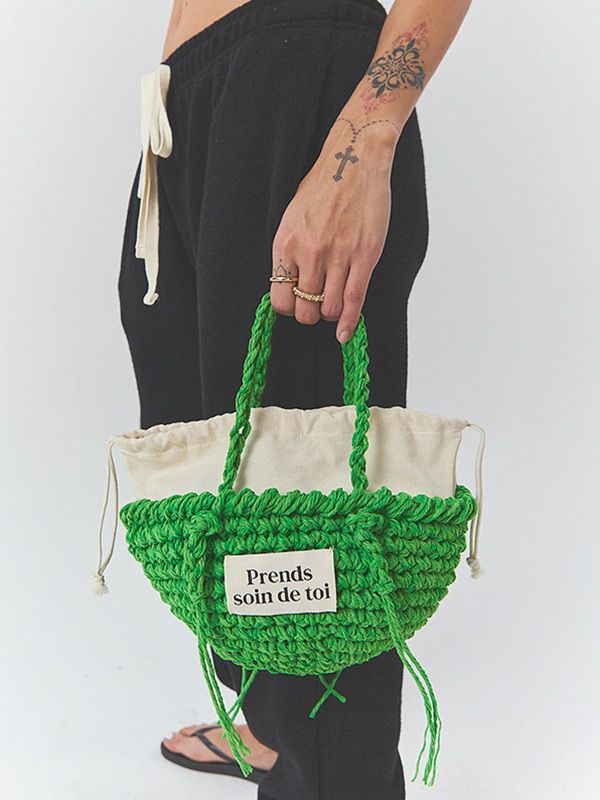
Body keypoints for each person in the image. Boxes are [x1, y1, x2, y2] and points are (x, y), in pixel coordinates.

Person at [118, 0, 472, 797]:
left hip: (297, 80)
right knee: (216, 456)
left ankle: (329, 769)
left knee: (314, 511)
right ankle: (280, 722)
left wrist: (365, 136)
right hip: (195, 91)